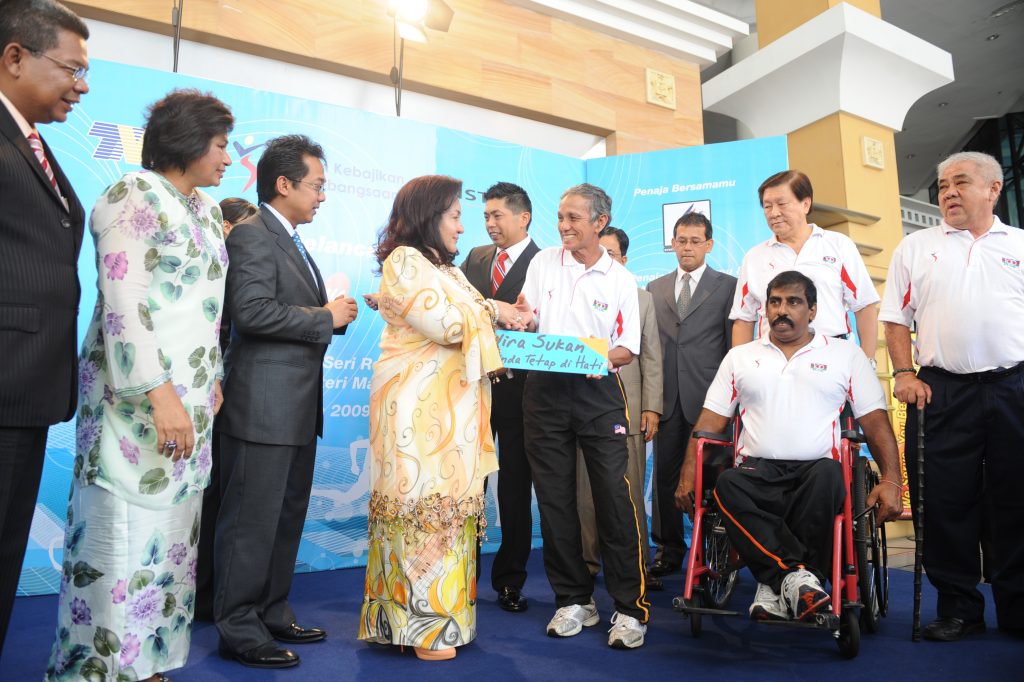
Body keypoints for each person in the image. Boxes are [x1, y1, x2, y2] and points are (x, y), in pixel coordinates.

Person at [45, 89, 234, 682]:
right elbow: (124, 303)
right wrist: (160, 391)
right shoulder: (133, 194)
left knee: (171, 543)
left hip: (190, 400)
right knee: (121, 538)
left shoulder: (207, 209)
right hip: (136, 403)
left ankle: (149, 663)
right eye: (220, 144)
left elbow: (207, 307)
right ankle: (99, 669)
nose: (228, 158)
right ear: (188, 141)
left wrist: (211, 377)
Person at [358, 175, 526, 660]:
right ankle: (421, 630)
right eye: (455, 216)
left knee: (448, 513)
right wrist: (494, 310)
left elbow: (470, 314)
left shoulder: (446, 270)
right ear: (429, 217)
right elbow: (449, 325)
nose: (462, 226)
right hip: (416, 413)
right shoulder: (405, 261)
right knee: (420, 510)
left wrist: (502, 311)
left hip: (452, 414)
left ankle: (425, 623)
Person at [676, 271, 903, 622]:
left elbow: (875, 422)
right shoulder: (740, 357)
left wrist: (891, 480)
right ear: (765, 309)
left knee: (830, 476)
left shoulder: (845, 355)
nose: (782, 310)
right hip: (757, 469)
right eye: (775, 302)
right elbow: (709, 422)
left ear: (812, 310)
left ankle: (776, 583)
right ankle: (797, 580)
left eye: (793, 302)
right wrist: (687, 475)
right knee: (726, 485)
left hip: (817, 471)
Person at [214, 135, 358, 669]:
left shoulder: (290, 239)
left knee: (284, 519)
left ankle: (271, 611)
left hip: (295, 408)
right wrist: (325, 317)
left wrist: (330, 317)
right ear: (283, 184)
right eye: (316, 185)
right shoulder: (253, 235)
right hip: (262, 409)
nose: (322, 195)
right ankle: (238, 628)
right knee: (250, 524)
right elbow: (251, 312)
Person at [881, 151, 1024, 642]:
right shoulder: (916, 246)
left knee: (1017, 498)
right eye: (942, 185)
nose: (948, 192)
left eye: (960, 182)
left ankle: (1019, 608)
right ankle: (960, 609)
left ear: (994, 188)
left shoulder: (1020, 244)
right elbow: (895, 317)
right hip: (941, 390)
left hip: (1015, 387)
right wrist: (903, 372)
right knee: (943, 500)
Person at [520, 183, 649, 649]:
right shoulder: (542, 262)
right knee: (554, 501)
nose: (563, 226)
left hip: (599, 393)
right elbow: (530, 317)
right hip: (544, 391)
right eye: (560, 216)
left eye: (573, 218)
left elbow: (627, 348)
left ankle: (630, 608)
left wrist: (597, 358)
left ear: (600, 222)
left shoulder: (620, 280)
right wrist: (521, 320)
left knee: (614, 499)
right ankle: (574, 599)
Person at [0, 0, 89, 658]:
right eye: (71, 68)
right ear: (14, 57)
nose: (81, 87)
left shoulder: (31, 141)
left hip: (26, 389)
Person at [460, 181, 540, 613]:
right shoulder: (475, 258)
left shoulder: (544, 263)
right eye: (486, 216)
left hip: (521, 395)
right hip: (472, 390)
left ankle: (510, 580)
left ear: (523, 217)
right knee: (469, 486)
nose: (490, 223)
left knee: (514, 490)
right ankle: (462, 576)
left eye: (498, 215)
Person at [646, 212, 735, 579]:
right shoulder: (654, 288)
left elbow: (732, 349)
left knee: (712, 479)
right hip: (666, 398)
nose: (687, 247)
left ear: (709, 245)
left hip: (710, 402)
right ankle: (667, 549)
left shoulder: (728, 286)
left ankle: (714, 550)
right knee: (664, 478)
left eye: (695, 241)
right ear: (672, 244)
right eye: (681, 240)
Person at [576, 226, 663, 588]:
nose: (601, 259)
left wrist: (651, 407)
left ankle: (638, 564)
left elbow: (652, 357)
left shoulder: (642, 299)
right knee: (585, 496)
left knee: (627, 495)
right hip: (582, 407)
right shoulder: (574, 291)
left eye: (609, 253)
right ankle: (587, 564)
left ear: (624, 260)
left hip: (628, 410)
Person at [730, 170, 879, 361]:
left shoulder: (838, 245)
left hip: (832, 357)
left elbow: (865, 306)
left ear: (805, 204)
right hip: (773, 360)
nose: (774, 213)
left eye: (782, 204)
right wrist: (740, 367)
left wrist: (867, 362)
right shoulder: (754, 257)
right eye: (767, 206)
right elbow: (744, 319)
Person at [194, 197, 259, 622]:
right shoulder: (210, 270)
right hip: (209, 388)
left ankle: (212, 591)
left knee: (220, 493)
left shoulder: (237, 270)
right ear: (228, 228)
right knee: (210, 494)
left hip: (228, 390)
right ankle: (201, 593)